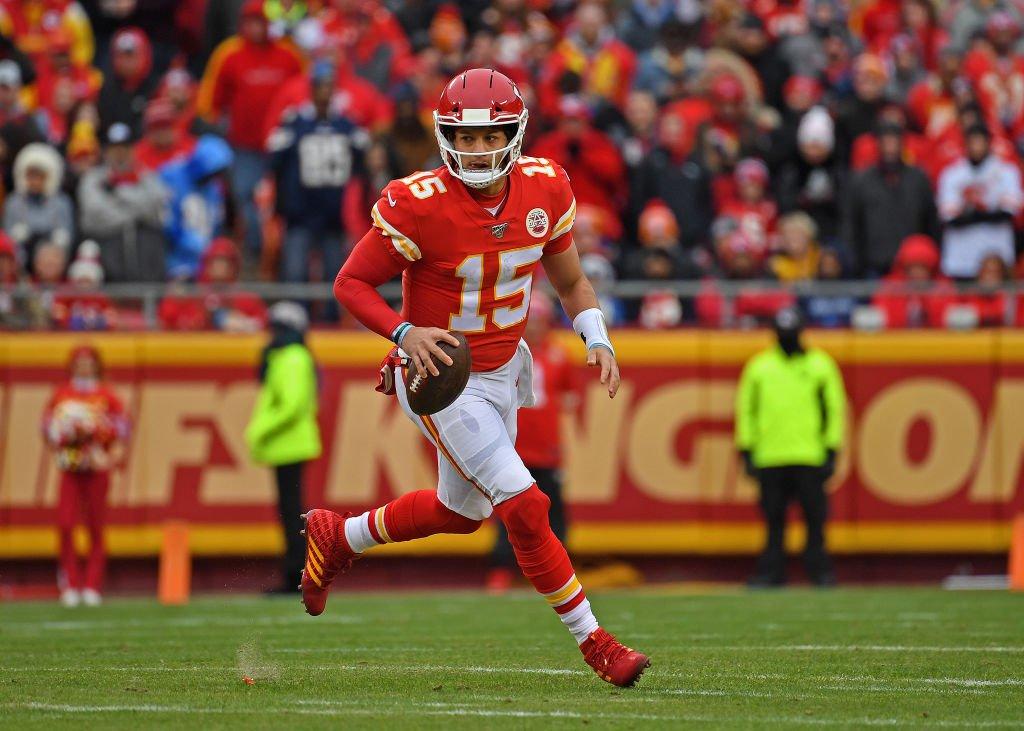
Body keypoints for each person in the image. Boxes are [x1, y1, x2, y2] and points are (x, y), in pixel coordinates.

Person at [322, 69, 649, 687]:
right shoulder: (418, 202)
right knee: (526, 504)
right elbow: (350, 282)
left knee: (461, 512)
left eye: (489, 136)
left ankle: (340, 536)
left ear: (514, 134)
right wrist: (403, 334)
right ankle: (597, 644)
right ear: (445, 137)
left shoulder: (545, 187)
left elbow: (571, 281)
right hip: (441, 377)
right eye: (465, 138)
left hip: (502, 370)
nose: (476, 149)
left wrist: (597, 337)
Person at [735, 307, 846, 587]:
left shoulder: (820, 365)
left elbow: (834, 408)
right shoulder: (760, 366)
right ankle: (772, 572)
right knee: (773, 520)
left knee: (815, 519)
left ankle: (819, 571)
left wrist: (831, 447)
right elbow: (746, 409)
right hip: (771, 455)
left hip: (809, 454)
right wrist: (747, 448)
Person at [485, 290, 577, 592]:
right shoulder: (507, 352)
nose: (535, 326)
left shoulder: (559, 354)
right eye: (531, 320)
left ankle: (557, 572)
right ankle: (502, 569)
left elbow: (569, 399)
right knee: (509, 510)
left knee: (553, 510)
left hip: (546, 446)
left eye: (539, 320)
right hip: (514, 444)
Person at [197, 0, 303, 258]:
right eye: (250, 23)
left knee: (285, 200)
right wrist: (222, 127)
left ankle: (278, 255)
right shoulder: (228, 54)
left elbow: (304, 91)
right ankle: (255, 250)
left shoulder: (289, 54)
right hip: (244, 145)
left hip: (283, 145)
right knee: (245, 195)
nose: (256, 28)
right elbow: (208, 103)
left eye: (261, 22)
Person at [42, 345, 129, 606]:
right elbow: (47, 427)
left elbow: (122, 428)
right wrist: (65, 436)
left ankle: (92, 585)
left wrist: (101, 438)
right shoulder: (62, 394)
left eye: (89, 362)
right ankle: (70, 583)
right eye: (80, 362)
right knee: (66, 524)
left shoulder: (107, 395)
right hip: (70, 468)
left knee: (96, 526)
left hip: (96, 467)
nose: (84, 367)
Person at [267, 61, 367, 285]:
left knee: (335, 274)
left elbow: (365, 154)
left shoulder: (346, 124)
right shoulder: (294, 122)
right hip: (300, 213)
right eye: (321, 85)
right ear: (312, 88)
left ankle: (329, 311)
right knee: (295, 273)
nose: (326, 91)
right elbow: (274, 159)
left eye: (330, 85)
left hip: (333, 214)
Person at [245, 301, 321, 594]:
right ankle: (296, 574)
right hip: (286, 445)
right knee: (290, 512)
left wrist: (259, 430)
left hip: (290, 444)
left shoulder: (293, 357)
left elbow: (291, 405)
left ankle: (297, 576)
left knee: (292, 514)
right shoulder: (289, 356)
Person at [77, 122, 167, 282]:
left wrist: (118, 193)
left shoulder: (147, 176)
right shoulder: (93, 179)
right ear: (106, 152)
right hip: (107, 256)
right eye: (114, 149)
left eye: (125, 148)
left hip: (146, 262)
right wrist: (136, 215)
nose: (120, 154)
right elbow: (94, 215)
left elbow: (156, 208)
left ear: (133, 150)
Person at [937, 123, 1023, 279]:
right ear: (965, 144)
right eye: (972, 142)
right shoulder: (952, 174)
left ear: (989, 143)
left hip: (997, 255)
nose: (976, 147)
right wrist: (986, 212)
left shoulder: (1006, 172)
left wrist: (974, 213)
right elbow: (950, 218)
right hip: (962, 256)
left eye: (980, 141)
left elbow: (1008, 212)